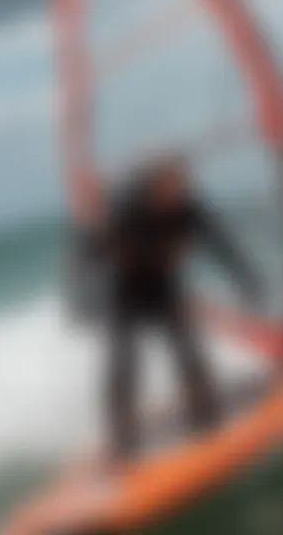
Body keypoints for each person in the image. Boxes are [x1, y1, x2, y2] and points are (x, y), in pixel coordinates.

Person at [72, 156, 262, 460]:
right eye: (169, 185)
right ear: (152, 187)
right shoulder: (126, 212)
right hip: (125, 292)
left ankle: (207, 418)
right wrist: (79, 301)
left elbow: (222, 245)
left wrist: (247, 279)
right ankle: (122, 441)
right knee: (123, 360)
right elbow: (87, 251)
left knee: (187, 349)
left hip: (163, 288)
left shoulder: (190, 211)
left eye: (181, 184)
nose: (177, 191)